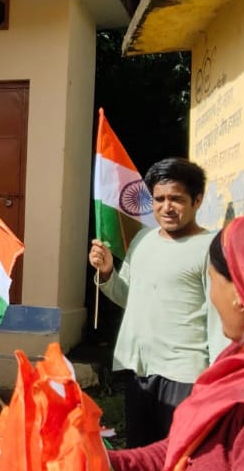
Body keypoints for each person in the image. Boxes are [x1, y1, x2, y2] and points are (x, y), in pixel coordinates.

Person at [106, 213, 244, 471]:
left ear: (241, 294)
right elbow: (182, 451)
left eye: (210, 280)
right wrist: (101, 461)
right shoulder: (243, 366)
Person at [88, 157, 226, 448]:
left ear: (197, 201)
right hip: (140, 372)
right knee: (142, 454)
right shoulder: (143, 239)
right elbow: (128, 296)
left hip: (186, 376)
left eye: (176, 199)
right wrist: (107, 272)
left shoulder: (211, 248)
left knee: (179, 459)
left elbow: (219, 318)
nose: (167, 207)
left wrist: (216, 379)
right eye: (159, 199)